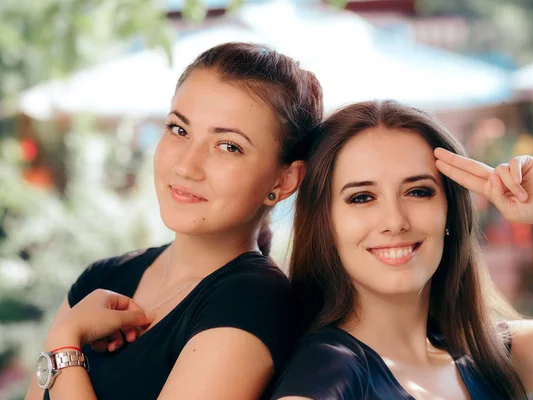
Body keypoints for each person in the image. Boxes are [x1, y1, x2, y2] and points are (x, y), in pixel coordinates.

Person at [25, 42, 323, 400]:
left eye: (228, 146)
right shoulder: (102, 278)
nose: (185, 165)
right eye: (179, 130)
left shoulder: (254, 303)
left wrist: (64, 343)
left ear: (283, 180)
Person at [272, 100, 533, 399]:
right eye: (362, 198)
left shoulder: (488, 356)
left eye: (418, 192)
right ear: (325, 223)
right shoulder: (327, 375)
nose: (395, 221)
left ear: (449, 212)